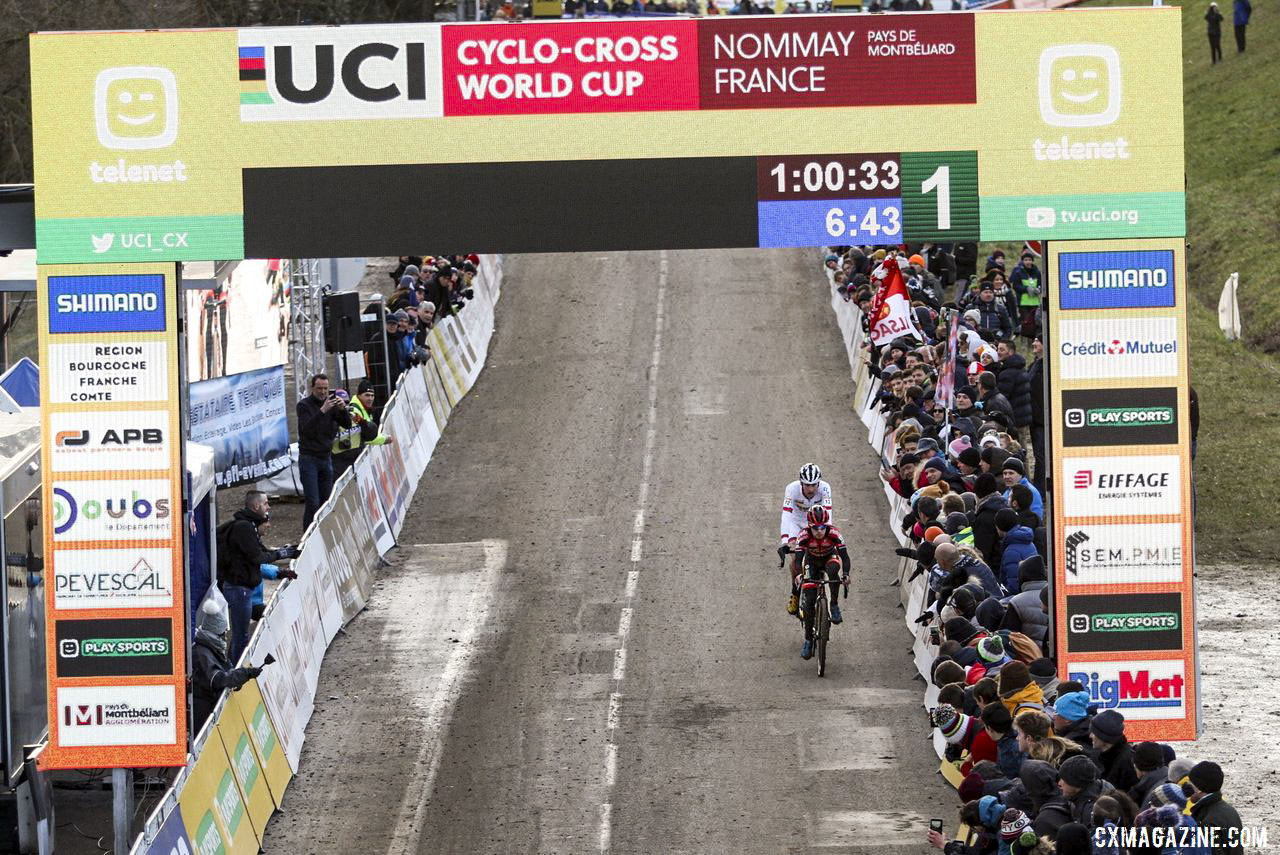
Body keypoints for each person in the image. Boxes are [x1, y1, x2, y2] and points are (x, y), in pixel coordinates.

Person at [219, 491, 298, 664]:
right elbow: (258, 558)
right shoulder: (245, 527)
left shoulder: (249, 526)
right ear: (256, 506)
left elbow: (262, 553)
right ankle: (234, 673)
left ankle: (235, 668)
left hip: (243, 590)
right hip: (239, 590)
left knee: (243, 633)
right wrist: (282, 554)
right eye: (266, 504)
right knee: (241, 635)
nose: (268, 507)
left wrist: (285, 554)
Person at [191, 599, 263, 732]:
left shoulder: (210, 647)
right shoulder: (202, 653)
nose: (225, 637)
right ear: (217, 633)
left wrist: (238, 677)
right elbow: (218, 679)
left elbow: (226, 669)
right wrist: (243, 674)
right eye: (224, 633)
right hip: (202, 714)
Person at [792, 505, 850, 658]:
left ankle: (834, 604)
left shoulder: (834, 533)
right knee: (809, 602)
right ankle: (808, 640)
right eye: (815, 528)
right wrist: (798, 574)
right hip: (811, 561)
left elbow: (845, 556)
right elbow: (798, 560)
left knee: (833, 571)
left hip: (829, 557)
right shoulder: (803, 536)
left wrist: (846, 574)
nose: (819, 531)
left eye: (823, 527)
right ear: (809, 526)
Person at [296, 373, 352, 530]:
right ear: (312, 388)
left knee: (326, 501)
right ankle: (308, 534)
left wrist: (342, 410)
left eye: (326, 389)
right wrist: (322, 411)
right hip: (309, 459)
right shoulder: (304, 406)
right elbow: (306, 429)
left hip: (326, 458)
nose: (322, 392)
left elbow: (347, 425)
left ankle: (324, 531)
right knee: (312, 501)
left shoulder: (332, 405)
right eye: (319, 388)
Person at [779, 463, 833, 615]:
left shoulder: (825, 488)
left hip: (816, 525)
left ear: (819, 483)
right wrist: (785, 541)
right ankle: (795, 594)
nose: (810, 489)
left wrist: (828, 536)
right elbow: (787, 514)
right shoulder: (792, 489)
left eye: (814, 485)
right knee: (796, 560)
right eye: (807, 485)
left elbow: (828, 515)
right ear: (801, 483)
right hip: (796, 524)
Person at [332, 380, 393, 478]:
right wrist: (384, 439)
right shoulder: (355, 412)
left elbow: (369, 430)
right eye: (367, 395)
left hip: (352, 457)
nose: (370, 398)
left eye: (372, 395)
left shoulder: (360, 410)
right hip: (342, 459)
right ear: (359, 395)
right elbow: (368, 437)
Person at [1187, 761, 1245, 854]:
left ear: (1199, 789)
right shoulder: (1229, 809)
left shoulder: (1207, 820)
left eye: (1190, 785)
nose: (1186, 789)